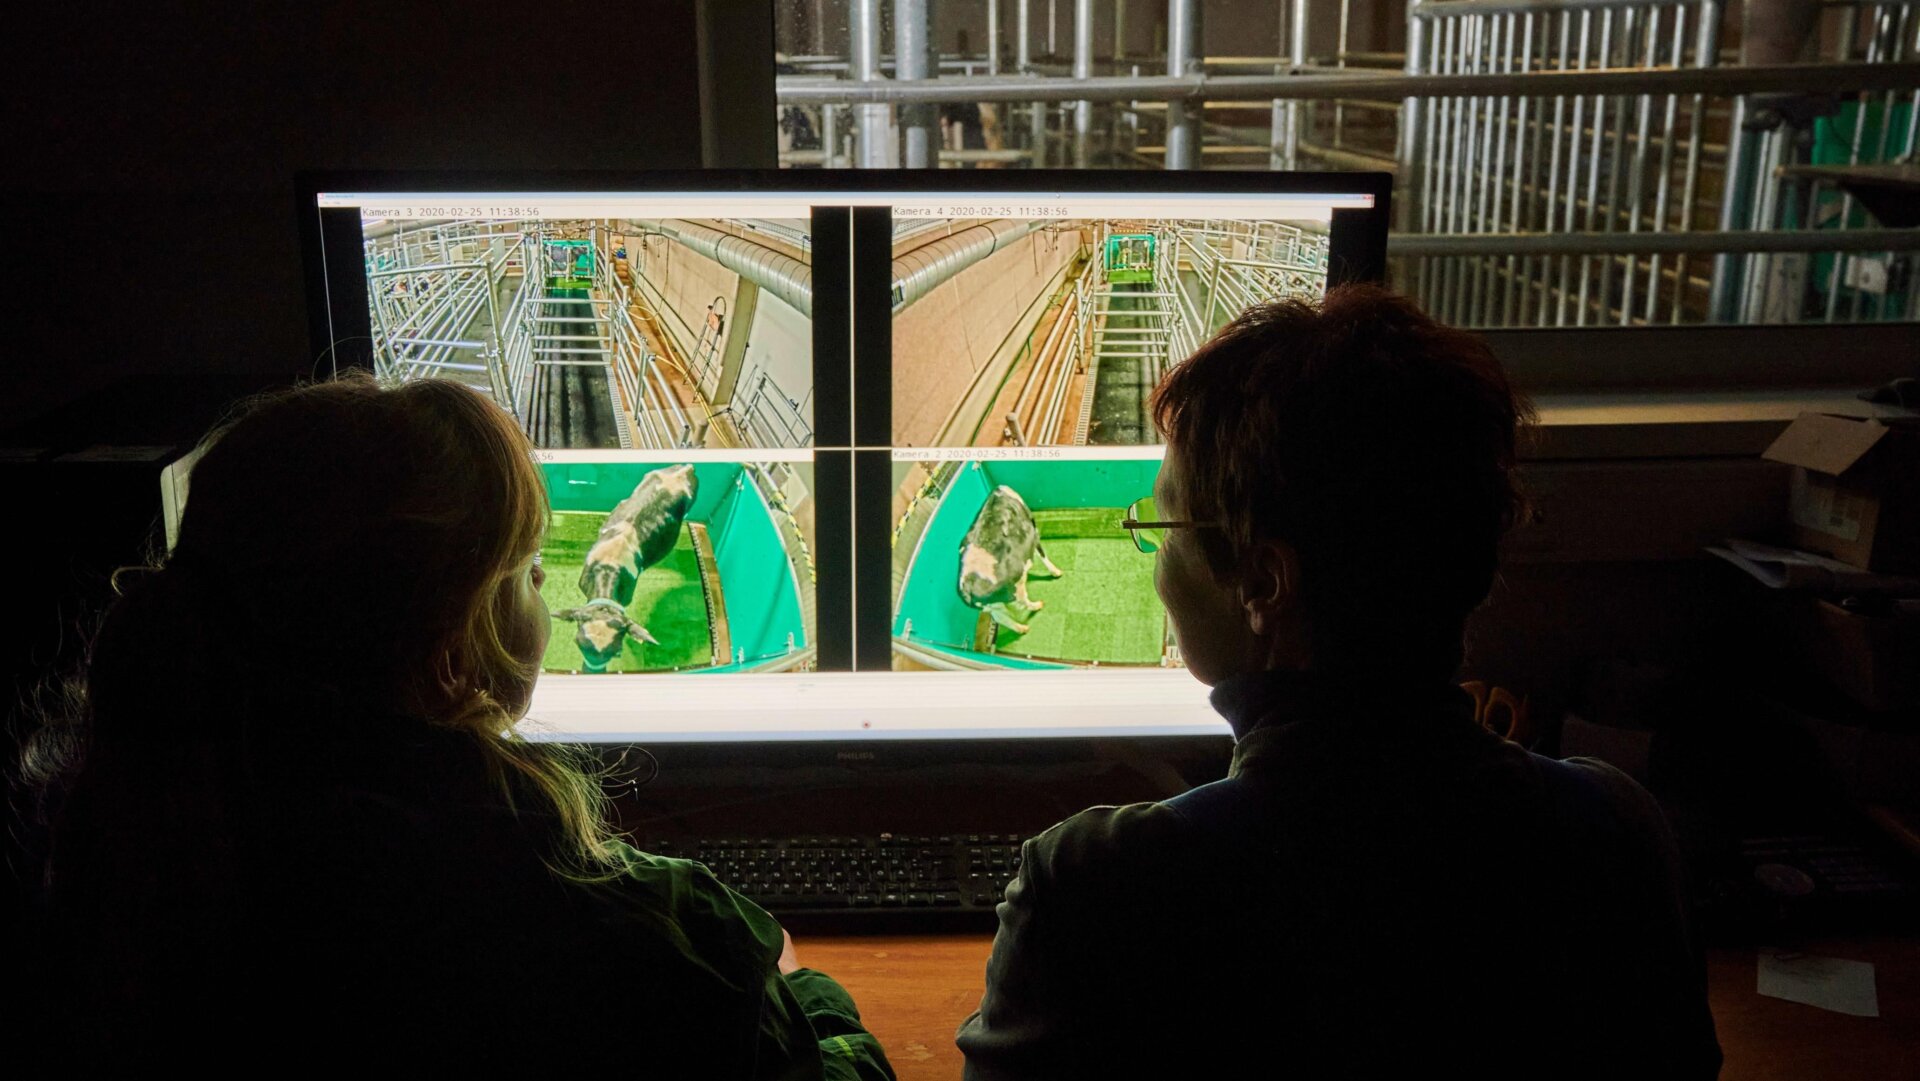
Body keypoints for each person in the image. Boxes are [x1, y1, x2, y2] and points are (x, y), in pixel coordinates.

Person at [22, 374, 894, 1077]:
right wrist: (795, 984)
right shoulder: (640, 934)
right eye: (523, 574)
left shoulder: (118, 865)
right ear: (453, 651)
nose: (545, 597)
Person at [955, 285, 1721, 1080]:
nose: (1156, 563)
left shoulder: (1095, 889)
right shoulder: (1620, 837)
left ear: (1263, 583)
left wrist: (822, 1014)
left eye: (1162, 528)